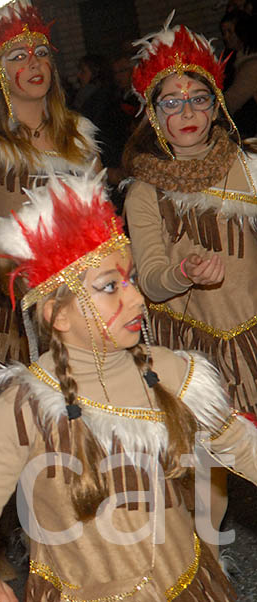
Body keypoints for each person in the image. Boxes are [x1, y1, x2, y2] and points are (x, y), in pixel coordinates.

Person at [0, 168, 255, 602]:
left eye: (128, 281)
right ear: (58, 315)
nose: (136, 299)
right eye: (111, 287)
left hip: (181, 586)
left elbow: (244, 448)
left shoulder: (170, 372)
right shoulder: (27, 406)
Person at [122, 15, 257, 563]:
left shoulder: (248, 169)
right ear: (153, 115)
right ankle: (203, 572)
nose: (187, 112)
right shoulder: (144, 189)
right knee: (208, 473)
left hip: (253, 334)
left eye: (198, 98)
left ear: (217, 104)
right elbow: (151, 279)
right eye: (171, 103)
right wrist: (183, 274)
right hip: (195, 352)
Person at [0, 0, 99, 443]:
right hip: (13, 316)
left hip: (83, 306)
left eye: (41, 53)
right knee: (38, 442)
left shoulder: (81, 139)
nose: (34, 63)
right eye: (18, 56)